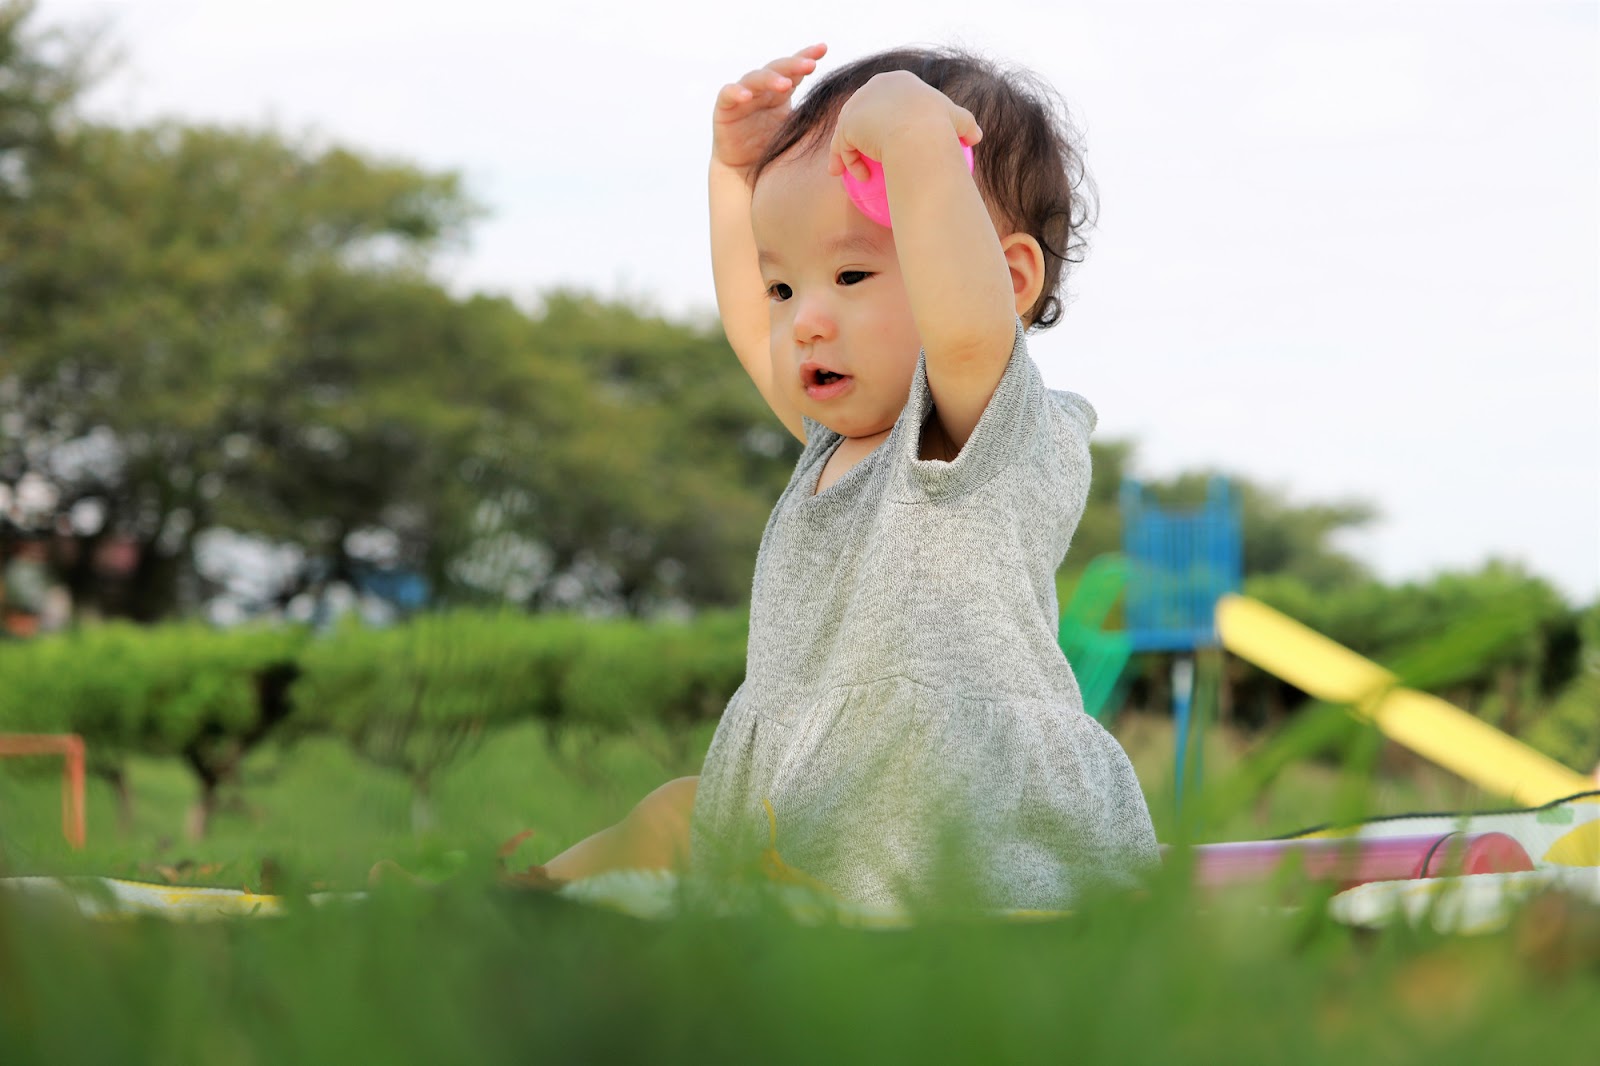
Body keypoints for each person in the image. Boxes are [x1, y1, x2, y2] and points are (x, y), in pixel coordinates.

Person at [535, 42, 1159, 909]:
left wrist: (913, 136)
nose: (804, 323)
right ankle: (494, 900)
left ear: (1008, 278)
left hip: (946, 817)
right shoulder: (833, 442)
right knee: (676, 814)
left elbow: (967, 326)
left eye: (853, 273)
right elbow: (752, 322)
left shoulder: (975, 426)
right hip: (808, 805)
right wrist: (733, 172)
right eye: (787, 288)